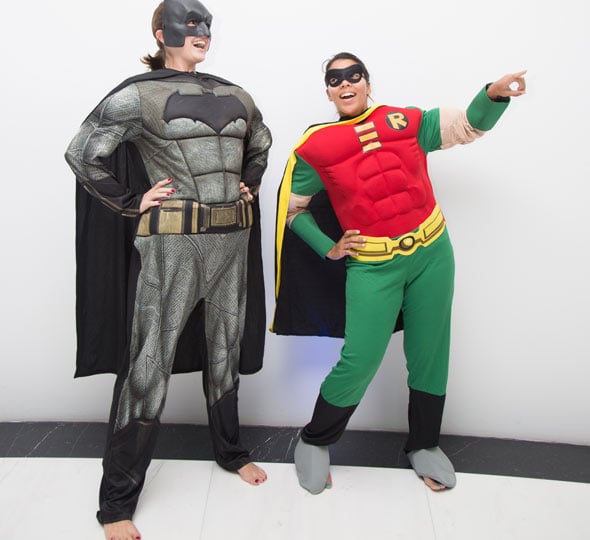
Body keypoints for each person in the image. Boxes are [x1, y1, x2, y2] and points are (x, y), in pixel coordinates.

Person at [272, 52, 525, 494]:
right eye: (335, 79)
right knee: (360, 359)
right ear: (328, 92)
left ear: (368, 83)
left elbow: (467, 126)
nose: (345, 84)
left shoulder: (405, 120)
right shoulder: (315, 147)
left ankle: (424, 444)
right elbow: (292, 211)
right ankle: (315, 440)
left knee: (430, 352)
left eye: (354, 75)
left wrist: (492, 95)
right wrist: (328, 247)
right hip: (372, 264)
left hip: (432, 252)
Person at [65, 1, 272, 538]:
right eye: (190, 23)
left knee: (225, 351)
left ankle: (230, 452)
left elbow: (261, 141)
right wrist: (131, 201)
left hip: (232, 239)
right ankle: (116, 503)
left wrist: (249, 179)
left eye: (208, 24)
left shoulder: (236, 94)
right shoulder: (139, 95)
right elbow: (83, 152)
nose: (202, 31)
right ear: (162, 33)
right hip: (174, 245)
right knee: (148, 363)